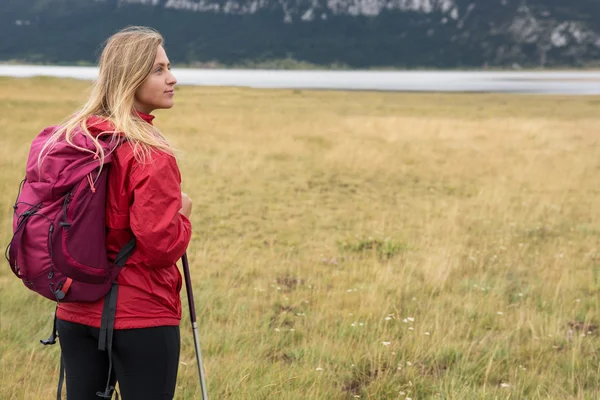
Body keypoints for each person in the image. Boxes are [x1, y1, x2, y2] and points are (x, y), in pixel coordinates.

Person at [49, 26, 192, 399]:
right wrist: (183, 214)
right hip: (140, 315)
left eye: (169, 66)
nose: (172, 77)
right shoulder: (151, 153)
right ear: (130, 78)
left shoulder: (73, 137)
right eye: (158, 69)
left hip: (75, 312)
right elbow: (160, 248)